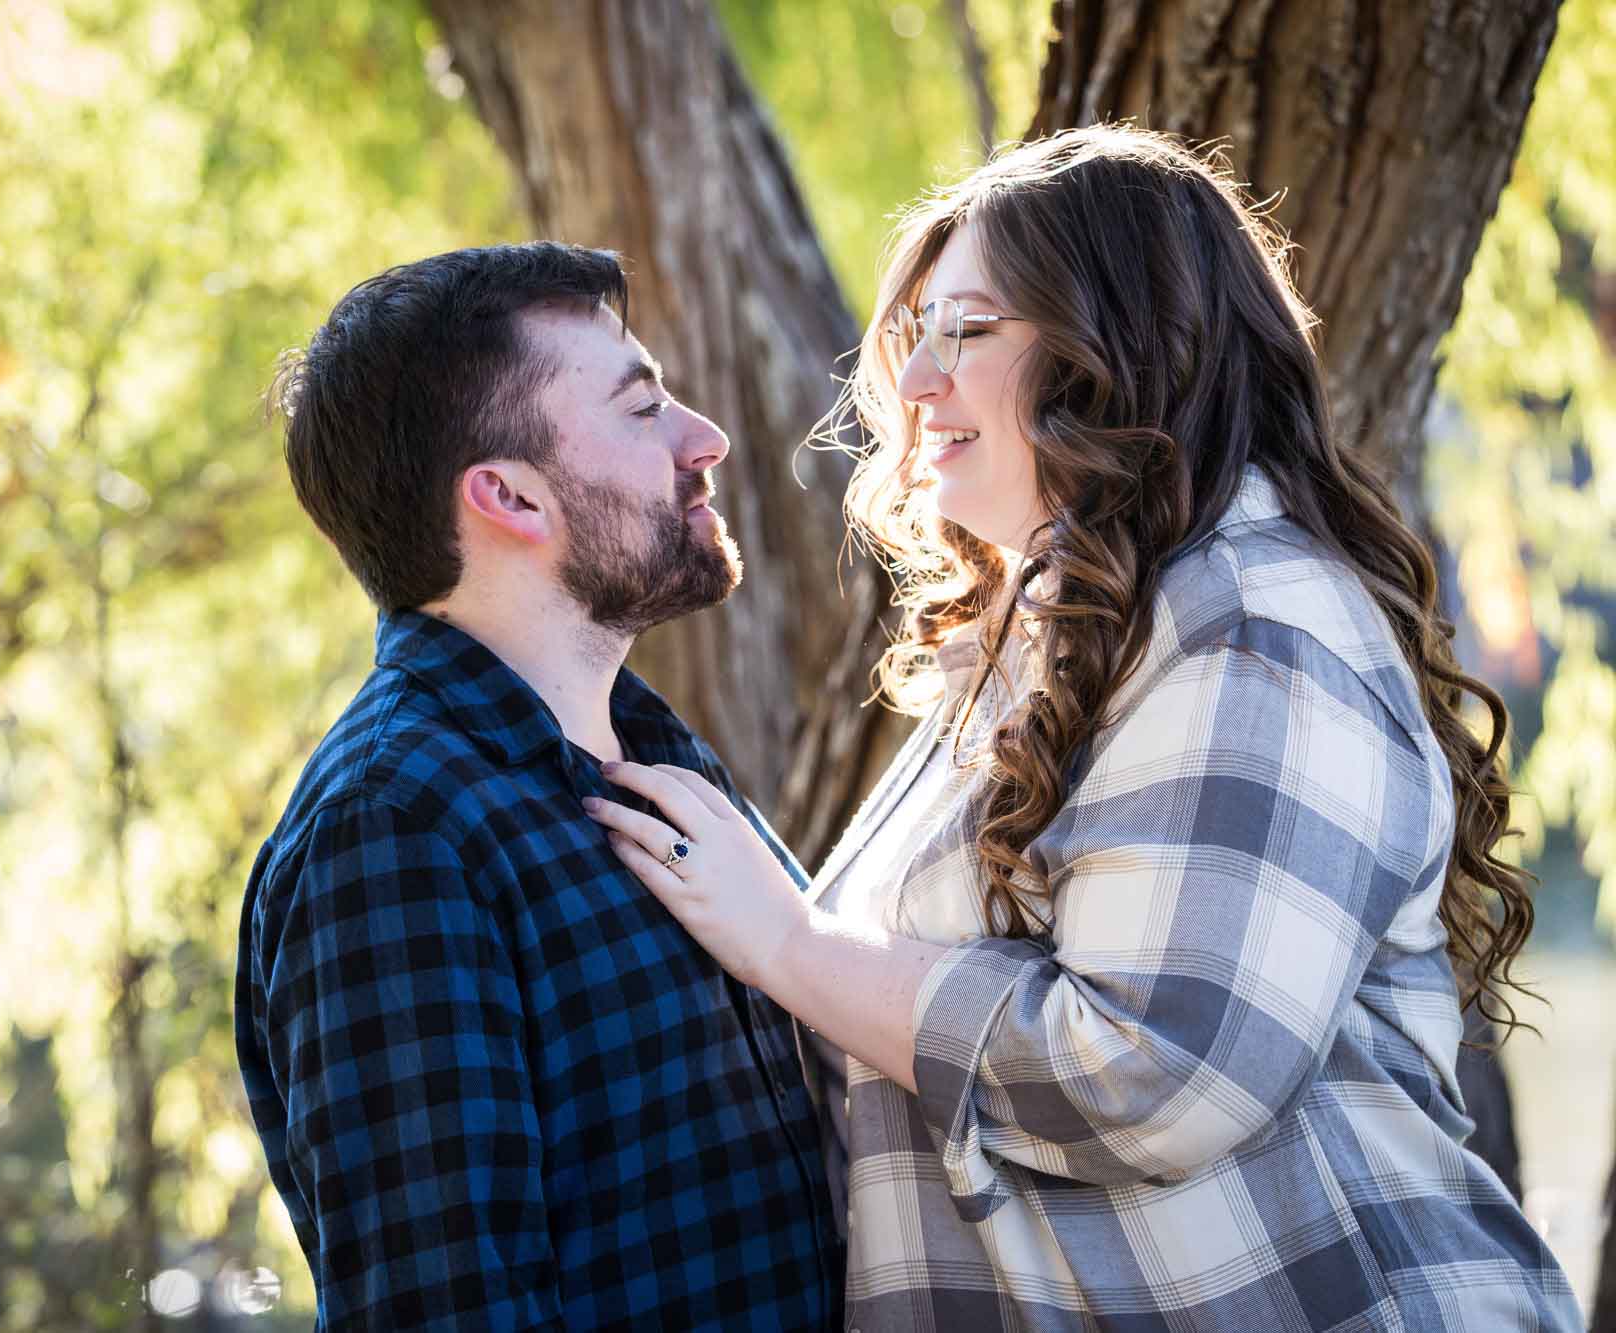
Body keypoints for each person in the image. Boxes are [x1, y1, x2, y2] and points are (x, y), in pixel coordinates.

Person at [584, 126, 1583, 1330]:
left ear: (1114, 348)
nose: (911, 385)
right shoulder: (1049, 637)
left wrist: (792, 950)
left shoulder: (1248, 623)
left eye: (966, 331)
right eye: (915, 335)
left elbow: (1153, 1073)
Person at [235, 242, 841, 1330]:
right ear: (508, 495)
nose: (704, 439)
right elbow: (440, 1309)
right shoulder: (392, 831)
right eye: (643, 406)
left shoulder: (648, 754)